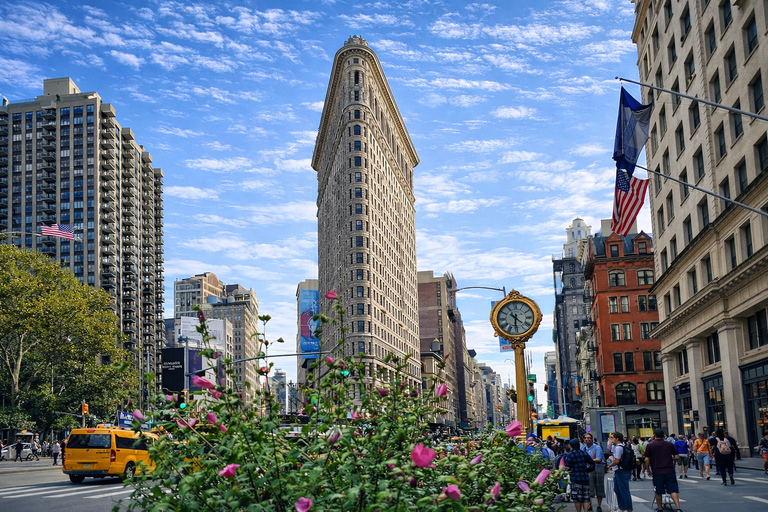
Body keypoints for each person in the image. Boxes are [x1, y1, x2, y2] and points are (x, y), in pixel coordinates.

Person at [645, 428, 684, 512]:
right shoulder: (669, 444)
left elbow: (647, 458)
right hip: (669, 470)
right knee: (673, 489)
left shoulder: (650, 445)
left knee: (658, 490)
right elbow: (677, 456)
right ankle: (678, 508)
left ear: (654, 435)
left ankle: (660, 509)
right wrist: (670, 459)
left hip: (657, 471)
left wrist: (647, 469)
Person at [564, 438, 595, 512]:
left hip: (575, 478)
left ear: (571, 446)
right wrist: (587, 470)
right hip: (585, 477)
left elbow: (567, 465)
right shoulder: (584, 453)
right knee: (586, 496)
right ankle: (586, 511)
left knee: (577, 497)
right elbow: (592, 463)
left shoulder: (570, 454)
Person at [606, 432, 633, 512]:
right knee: (617, 489)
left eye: (612, 437)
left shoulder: (618, 448)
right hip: (620, 470)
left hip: (621, 470)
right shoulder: (621, 446)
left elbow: (617, 460)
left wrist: (610, 465)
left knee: (623, 490)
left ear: (617, 438)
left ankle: (627, 508)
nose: (611, 439)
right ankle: (622, 507)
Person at [582, 432, 606, 512]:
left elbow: (599, 459)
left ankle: (599, 506)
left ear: (592, 439)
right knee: (589, 488)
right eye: (586, 438)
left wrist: (588, 460)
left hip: (597, 468)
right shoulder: (583, 448)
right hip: (588, 469)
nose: (587, 439)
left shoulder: (597, 447)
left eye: (589, 438)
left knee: (599, 487)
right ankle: (590, 506)